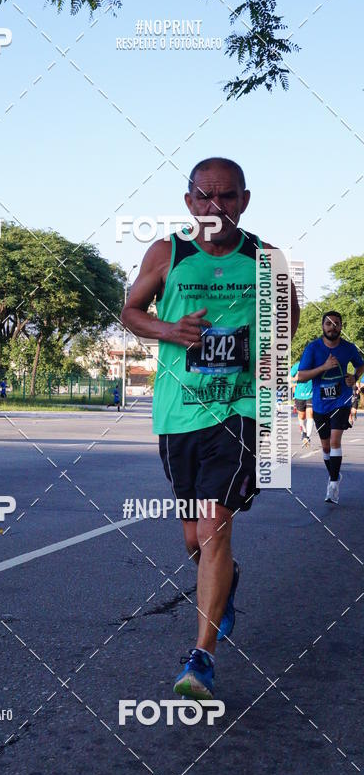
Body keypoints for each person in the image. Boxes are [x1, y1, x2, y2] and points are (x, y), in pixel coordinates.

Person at [121, 156, 300, 700]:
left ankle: (201, 656)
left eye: (225, 196)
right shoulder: (166, 252)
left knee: (215, 523)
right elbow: (130, 311)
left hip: (239, 409)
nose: (213, 206)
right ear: (188, 202)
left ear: (244, 201)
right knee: (193, 536)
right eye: (203, 196)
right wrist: (171, 331)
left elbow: (287, 322)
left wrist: (252, 344)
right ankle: (226, 583)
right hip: (179, 413)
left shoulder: (267, 259)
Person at [295, 312, 364, 504]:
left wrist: (354, 378)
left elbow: (360, 366)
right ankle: (334, 474)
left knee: (335, 441)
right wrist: (323, 367)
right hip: (320, 403)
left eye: (336, 324)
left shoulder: (348, 348)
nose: (332, 327)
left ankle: (333, 484)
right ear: (322, 326)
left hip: (340, 401)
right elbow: (301, 376)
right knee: (325, 446)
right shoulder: (313, 348)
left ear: (341, 327)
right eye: (328, 323)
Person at [290, 358, 314, 446]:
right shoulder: (297, 366)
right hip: (299, 395)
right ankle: (303, 432)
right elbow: (288, 378)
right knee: (302, 416)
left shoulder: (315, 365)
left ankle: (307, 437)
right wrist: (296, 378)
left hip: (311, 394)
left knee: (310, 413)